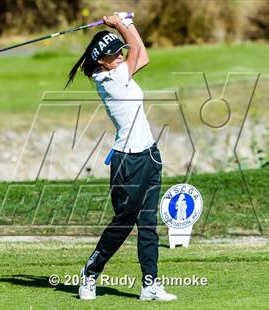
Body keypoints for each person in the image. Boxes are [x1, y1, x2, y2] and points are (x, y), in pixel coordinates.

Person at [65, 13, 177, 302]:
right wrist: (120, 24)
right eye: (114, 55)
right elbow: (138, 51)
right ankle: (90, 273)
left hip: (150, 154)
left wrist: (127, 25)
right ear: (102, 61)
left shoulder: (118, 70)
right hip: (128, 162)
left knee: (148, 223)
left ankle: (150, 285)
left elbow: (142, 55)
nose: (119, 57)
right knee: (123, 224)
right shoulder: (110, 78)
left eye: (119, 53)